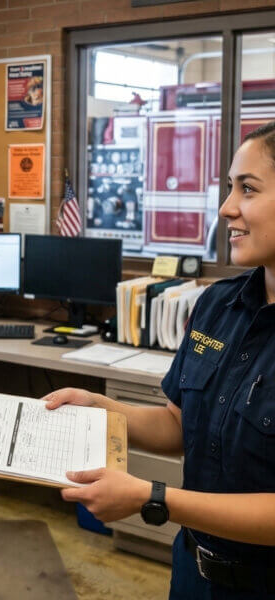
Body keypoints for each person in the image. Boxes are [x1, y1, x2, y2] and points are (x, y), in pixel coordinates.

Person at [44, 122, 275, 598]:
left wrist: (154, 498)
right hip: (193, 571)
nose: (227, 207)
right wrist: (100, 409)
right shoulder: (217, 306)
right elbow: (178, 425)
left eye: (247, 189)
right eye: (230, 187)